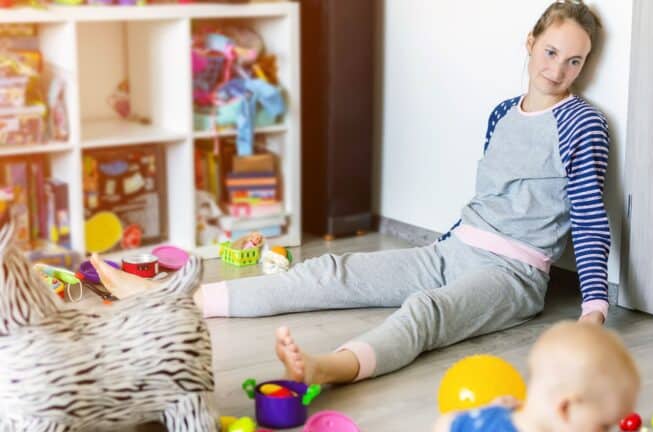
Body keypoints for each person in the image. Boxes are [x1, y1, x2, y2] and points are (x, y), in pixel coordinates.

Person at [92, 0, 611, 387]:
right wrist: (444, 247)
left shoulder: (580, 122)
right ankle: (174, 297)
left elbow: (590, 217)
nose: (558, 69)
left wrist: (593, 308)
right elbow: (490, 199)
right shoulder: (502, 112)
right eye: (551, 51)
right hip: (453, 251)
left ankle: (331, 367)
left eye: (574, 61)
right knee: (331, 271)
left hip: (512, 275)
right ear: (530, 42)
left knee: (425, 312)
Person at [433, 321, 641, 432]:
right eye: (603, 427)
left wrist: (489, 411)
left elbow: (446, 423)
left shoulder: (487, 417)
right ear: (565, 408)